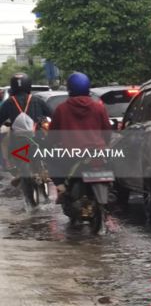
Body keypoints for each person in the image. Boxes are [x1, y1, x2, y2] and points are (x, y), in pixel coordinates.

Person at [49, 72, 111, 206]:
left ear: (69, 89)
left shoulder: (62, 109)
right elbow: (107, 132)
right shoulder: (99, 108)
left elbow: (53, 135)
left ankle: (61, 188)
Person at [0, 73, 51, 174]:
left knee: (6, 144)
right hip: (37, 137)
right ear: (28, 85)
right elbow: (51, 114)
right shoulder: (38, 100)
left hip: (17, 140)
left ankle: (12, 166)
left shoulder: (9, 102)